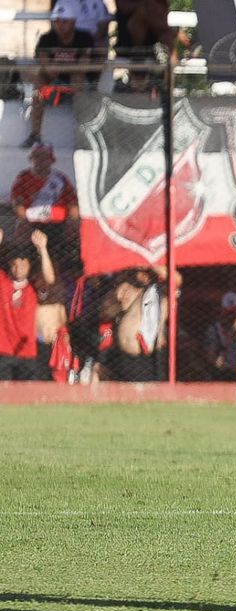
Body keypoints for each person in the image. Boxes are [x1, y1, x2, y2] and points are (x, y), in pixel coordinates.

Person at [23, 3, 98, 148]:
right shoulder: (47, 39)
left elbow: (83, 68)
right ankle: (35, 135)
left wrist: (59, 67)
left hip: (78, 88)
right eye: (56, 21)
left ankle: (83, 136)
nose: (59, 25)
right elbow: (47, 68)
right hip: (53, 87)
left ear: (73, 22)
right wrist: (69, 67)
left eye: (64, 21)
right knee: (39, 81)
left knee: (78, 79)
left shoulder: (84, 38)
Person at [10, 143, 82, 281]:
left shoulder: (60, 179)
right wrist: (25, 220)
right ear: (32, 159)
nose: (41, 160)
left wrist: (72, 221)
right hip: (32, 223)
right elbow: (18, 205)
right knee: (21, 229)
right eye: (37, 157)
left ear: (51, 159)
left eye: (45, 157)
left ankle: (60, 278)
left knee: (73, 233)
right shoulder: (24, 177)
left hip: (58, 224)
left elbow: (73, 204)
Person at [0, 230, 57, 380]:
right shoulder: (3, 283)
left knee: (26, 395)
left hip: (27, 351)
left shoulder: (33, 287)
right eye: (15, 265)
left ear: (29, 266)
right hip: (3, 350)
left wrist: (43, 249)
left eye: (23, 265)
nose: (18, 269)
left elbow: (49, 279)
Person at [204, 291, 236, 382]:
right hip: (222, 371)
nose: (232, 316)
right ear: (221, 311)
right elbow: (210, 354)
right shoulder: (215, 329)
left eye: (235, 312)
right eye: (228, 312)